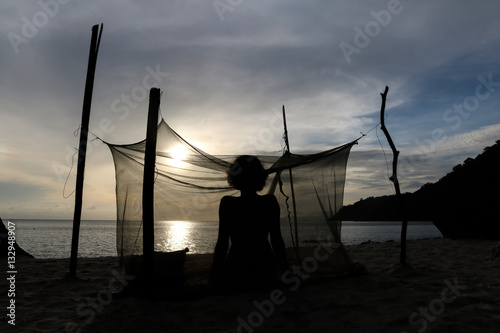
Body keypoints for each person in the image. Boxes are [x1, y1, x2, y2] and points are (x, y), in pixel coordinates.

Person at [210, 155, 288, 292]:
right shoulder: (269, 202)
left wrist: (214, 276)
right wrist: (286, 272)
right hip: (264, 268)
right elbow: (277, 241)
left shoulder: (228, 204)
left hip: (236, 267)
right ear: (259, 177)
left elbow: (222, 243)